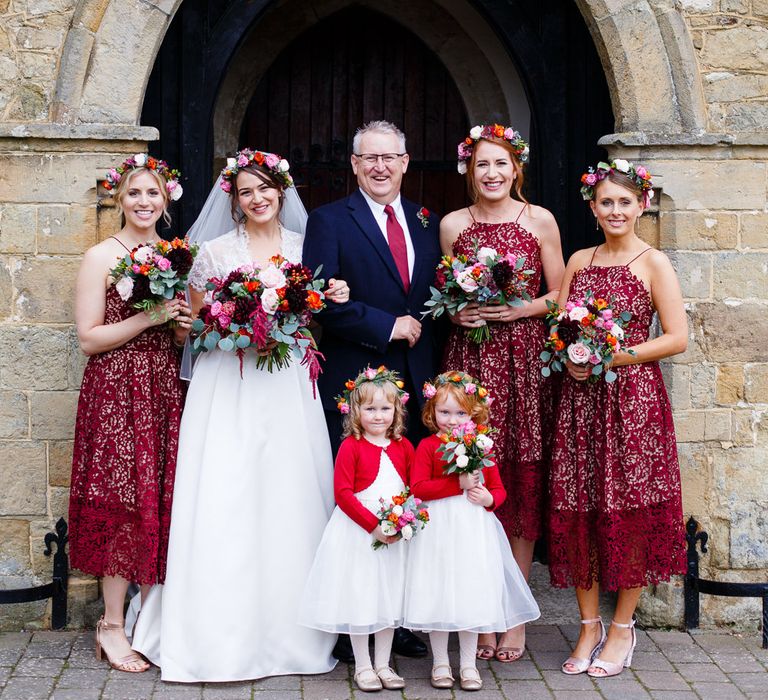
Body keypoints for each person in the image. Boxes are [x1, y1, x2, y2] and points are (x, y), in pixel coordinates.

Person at [130, 148, 350, 682]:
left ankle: (291, 635)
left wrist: (328, 297)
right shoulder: (213, 253)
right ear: (233, 198)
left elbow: (317, 317)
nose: (257, 198)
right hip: (228, 382)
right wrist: (229, 326)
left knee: (290, 494)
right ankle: (217, 632)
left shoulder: (306, 248)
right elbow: (190, 330)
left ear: (282, 191)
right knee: (226, 493)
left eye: (265, 188)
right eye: (246, 191)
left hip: (287, 383)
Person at [303, 119, 440, 660]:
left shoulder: (427, 222)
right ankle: (350, 622)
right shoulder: (330, 220)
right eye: (369, 158)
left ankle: (396, 617)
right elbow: (321, 301)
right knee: (359, 500)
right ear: (354, 165)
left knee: (404, 497)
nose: (380, 166)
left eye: (390, 157)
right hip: (357, 384)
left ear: (405, 162)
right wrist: (390, 326)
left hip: (415, 381)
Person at [549, 160, 687, 678]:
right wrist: (572, 358)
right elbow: (560, 329)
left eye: (624, 202)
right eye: (606, 202)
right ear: (593, 207)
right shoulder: (580, 260)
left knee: (627, 509)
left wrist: (612, 355)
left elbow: (676, 337)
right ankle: (588, 624)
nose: (615, 210)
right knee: (578, 504)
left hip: (634, 405)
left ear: (642, 205)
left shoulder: (655, 263)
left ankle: (623, 628)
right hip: (580, 403)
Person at [440, 124, 564, 661]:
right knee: (471, 478)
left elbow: (560, 292)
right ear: (469, 168)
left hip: (523, 361)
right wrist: (457, 309)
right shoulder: (452, 224)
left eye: (501, 164)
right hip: (470, 361)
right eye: (482, 164)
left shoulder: (539, 220)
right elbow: (443, 291)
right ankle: (479, 609)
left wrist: (520, 309)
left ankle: (513, 613)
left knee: (518, 475)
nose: (492, 173)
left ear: (517, 169)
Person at [68, 155, 191, 673]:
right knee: (121, 503)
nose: (144, 202)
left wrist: (181, 326)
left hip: (163, 388)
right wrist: (149, 317)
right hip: (117, 391)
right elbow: (89, 338)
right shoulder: (102, 255)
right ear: (120, 199)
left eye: (153, 194)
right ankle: (110, 626)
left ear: (166, 201)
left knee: (159, 502)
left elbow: (179, 333)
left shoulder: (172, 255)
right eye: (135, 193)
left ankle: (148, 617)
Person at [403, 372, 540, 691]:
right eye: (444, 412)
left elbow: (498, 489)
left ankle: (467, 664)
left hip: (472, 530)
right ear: (431, 412)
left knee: (469, 594)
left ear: (474, 414)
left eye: (460, 413)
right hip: (437, 529)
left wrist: (490, 498)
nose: (451, 420)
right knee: (437, 594)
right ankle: (440, 663)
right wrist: (457, 484)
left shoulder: (480, 445)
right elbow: (418, 488)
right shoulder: (427, 446)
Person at [299, 367, 414, 692]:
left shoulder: (403, 445)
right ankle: (363, 665)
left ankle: (384, 663)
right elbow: (343, 494)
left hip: (392, 535)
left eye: (385, 409)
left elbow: (410, 487)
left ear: (396, 410)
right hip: (359, 532)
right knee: (362, 596)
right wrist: (373, 526)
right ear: (355, 410)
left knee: (388, 599)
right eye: (370, 408)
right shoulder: (352, 446)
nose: (378, 416)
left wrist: (404, 519)